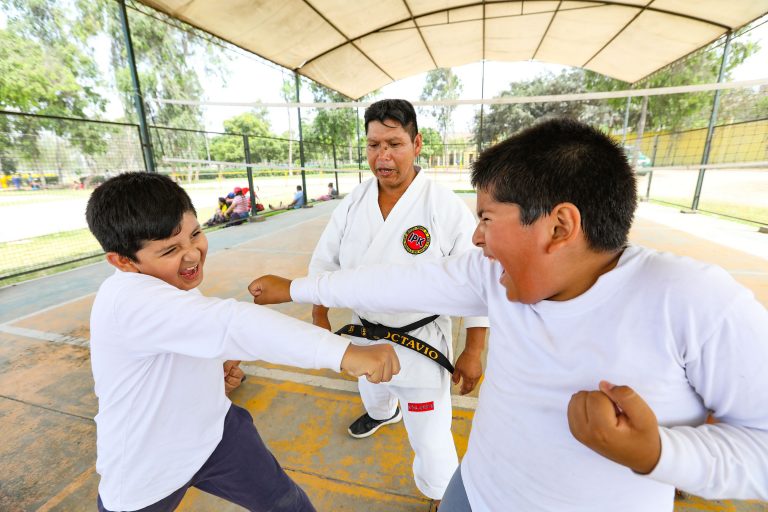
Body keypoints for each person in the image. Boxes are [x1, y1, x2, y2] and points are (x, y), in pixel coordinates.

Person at [248, 118, 768, 512]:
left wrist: (660, 455)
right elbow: (390, 279)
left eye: (488, 219)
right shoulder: (491, 278)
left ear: (560, 226)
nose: (476, 237)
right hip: (473, 493)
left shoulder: (695, 301)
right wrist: (296, 287)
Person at [84, 172, 400, 512]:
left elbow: (188, 338)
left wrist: (205, 377)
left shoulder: (170, 280)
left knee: (288, 505)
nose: (192, 255)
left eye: (196, 234)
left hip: (215, 433)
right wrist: (344, 353)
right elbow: (233, 324)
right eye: (171, 249)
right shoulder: (129, 299)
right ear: (123, 261)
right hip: (147, 469)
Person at [296, 99, 489, 506]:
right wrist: (319, 315)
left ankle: (442, 494)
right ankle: (384, 413)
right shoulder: (354, 201)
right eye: (373, 145)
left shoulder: (442, 205)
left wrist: (474, 349)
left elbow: (475, 277)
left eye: (394, 144)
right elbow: (324, 259)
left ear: (417, 144)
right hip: (364, 333)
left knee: (432, 439)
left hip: (420, 342)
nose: (382, 156)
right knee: (372, 391)